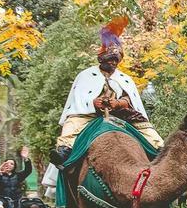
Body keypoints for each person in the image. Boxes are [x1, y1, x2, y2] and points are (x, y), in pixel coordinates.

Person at [55, 16, 161, 153]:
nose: (113, 63)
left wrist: (119, 103)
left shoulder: (125, 79)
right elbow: (78, 99)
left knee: (148, 130)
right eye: (110, 59)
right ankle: (64, 149)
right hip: (89, 115)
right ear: (102, 59)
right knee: (72, 125)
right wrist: (93, 102)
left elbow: (130, 99)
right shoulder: (86, 75)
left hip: (122, 115)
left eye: (116, 61)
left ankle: (159, 149)